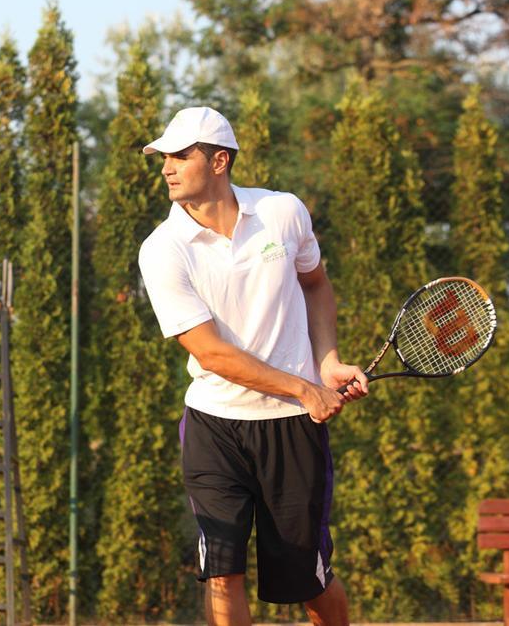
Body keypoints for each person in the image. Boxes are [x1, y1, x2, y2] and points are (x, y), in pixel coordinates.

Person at [137, 106, 369, 626]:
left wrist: (326, 361)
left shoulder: (284, 213)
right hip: (213, 428)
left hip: (290, 431)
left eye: (180, 155)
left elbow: (315, 284)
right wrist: (304, 389)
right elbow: (211, 353)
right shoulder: (162, 250)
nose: (167, 167)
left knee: (309, 582)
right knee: (222, 572)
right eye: (163, 157)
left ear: (220, 161)